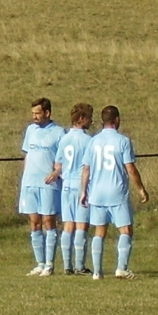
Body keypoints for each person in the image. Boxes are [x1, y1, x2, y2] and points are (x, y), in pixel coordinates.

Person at [80, 106, 149, 280]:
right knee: (125, 230)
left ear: (102, 121)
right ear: (117, 119)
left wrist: (83, 192)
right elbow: (130, 169)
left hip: (96, 192)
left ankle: (97, 272)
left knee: (99, 232)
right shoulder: (123, 141)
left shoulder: (93, 141)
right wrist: (141, 188)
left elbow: (86, 169)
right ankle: (121, 268)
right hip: (116, 192)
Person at [19, 97, 65, 276]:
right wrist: (24, 178)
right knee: (34, 222)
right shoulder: (30, 130)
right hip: (30, 183)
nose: (34, 117)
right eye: (33, 113)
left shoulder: (59, 132)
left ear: (47, 113)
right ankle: (39, 262)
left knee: (48, 221)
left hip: (48, 183)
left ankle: (50, 264)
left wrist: (56, 173)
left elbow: (63, 159)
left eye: (37, 113)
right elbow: (28, 155)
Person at [48, 103, 94, 275]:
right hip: (81, 184)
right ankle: (79, 265)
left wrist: (56, 173)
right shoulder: (88, 141)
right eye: (89, 117)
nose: (91, 121)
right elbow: (89, 166)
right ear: (81, 119)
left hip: (66, 185)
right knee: (81, 226)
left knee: (68, 225)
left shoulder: (65, 139)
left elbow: (58, 164)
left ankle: (67, 265)